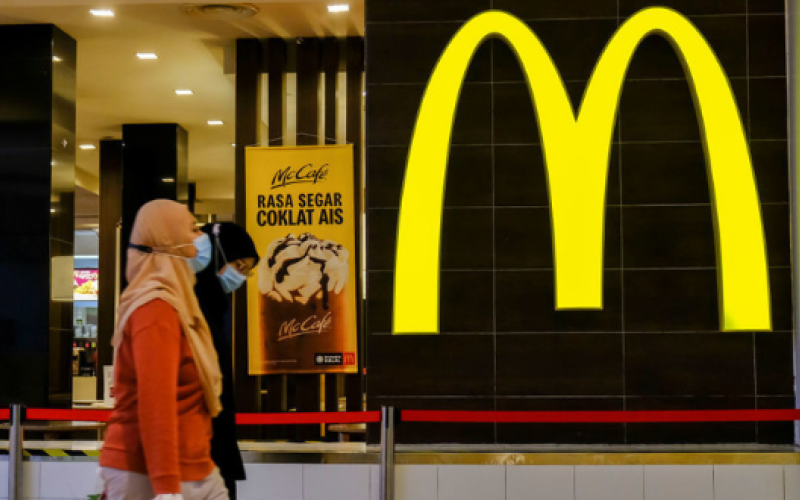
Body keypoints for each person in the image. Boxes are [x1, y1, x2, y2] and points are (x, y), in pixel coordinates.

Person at [99, 199, 228, 500]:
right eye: (192, 228)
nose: (201, 238)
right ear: (168, 239)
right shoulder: (155, 309)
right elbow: (156, 403)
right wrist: (167, 489)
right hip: (148, 474)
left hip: (195, 468)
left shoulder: (179, 305)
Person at [194, 222, 259, 500]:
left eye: (246, 271)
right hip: (199, 443)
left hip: (211, 438)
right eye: (239, 266)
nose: (240, 276)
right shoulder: (192, 306)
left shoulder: (215, 306)